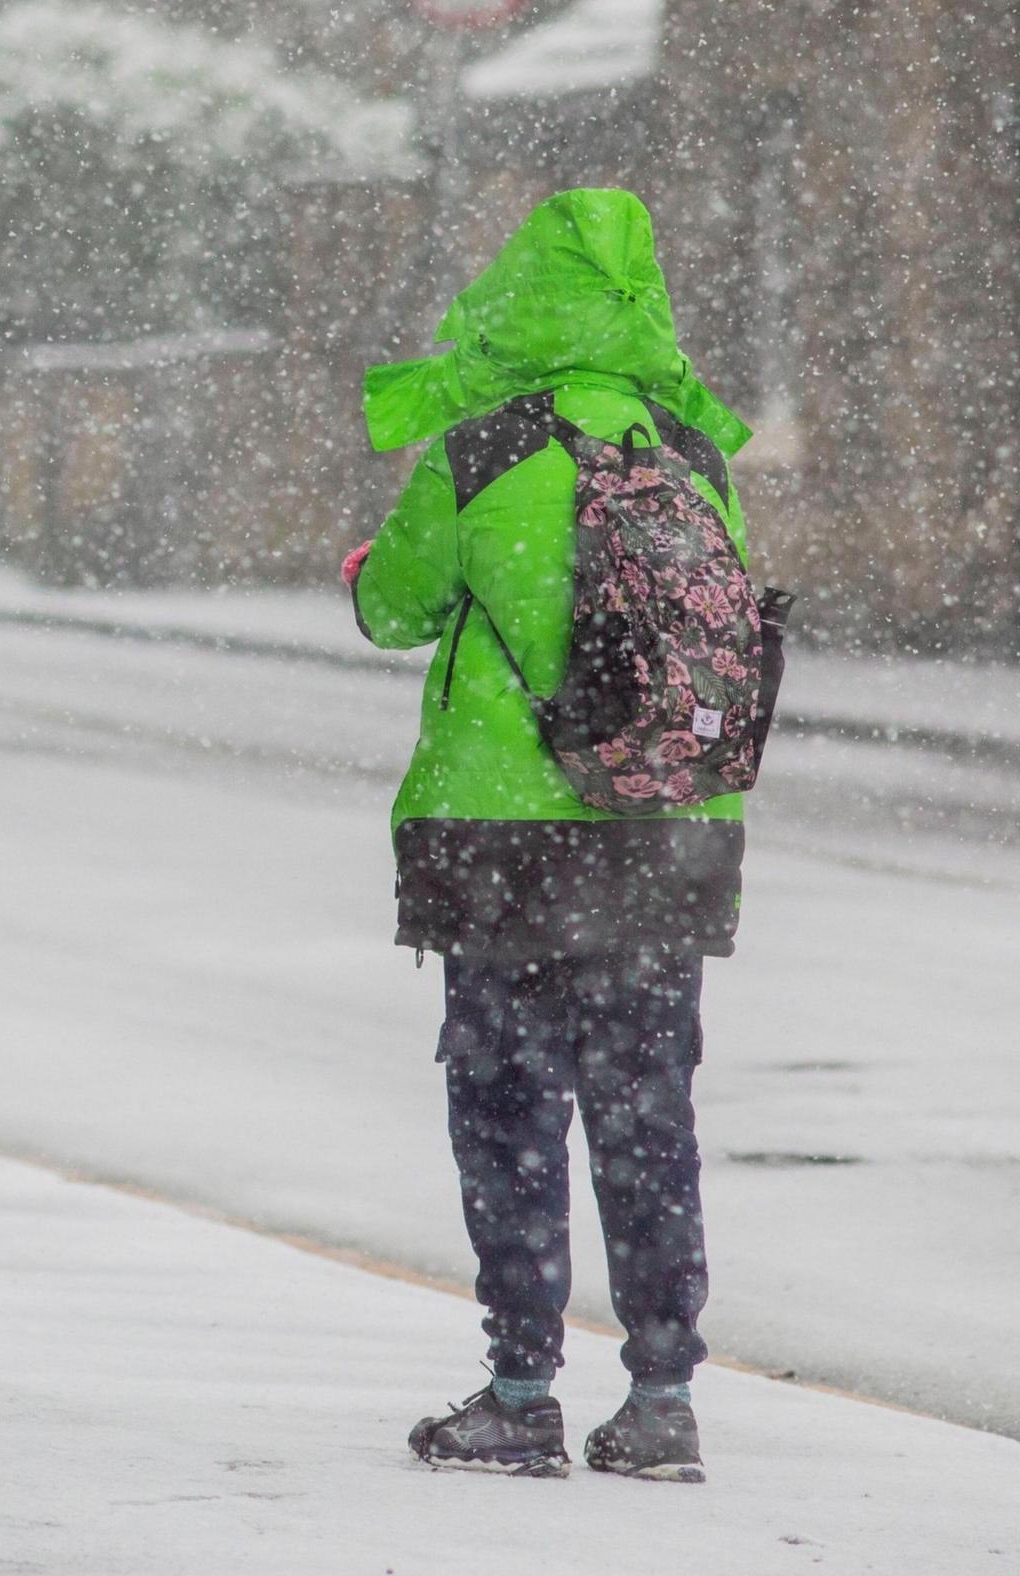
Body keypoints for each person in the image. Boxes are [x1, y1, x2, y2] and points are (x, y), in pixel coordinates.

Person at [345, 189, 758, 1483]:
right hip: (668, 829)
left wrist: (370, 568)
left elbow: (398, 609)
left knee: (512, 1106)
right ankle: (662, 1400)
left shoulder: (480, 452)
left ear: (518, 299)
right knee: (648, 1115)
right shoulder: (696, 455)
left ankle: (521, 1388)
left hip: (504, 839)